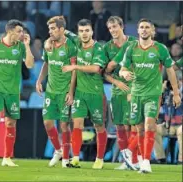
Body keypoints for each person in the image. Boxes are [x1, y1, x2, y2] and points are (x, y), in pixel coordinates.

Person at [119, 18, 181, 173]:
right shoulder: (131, 49)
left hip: (153, 94)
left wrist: (176, 92)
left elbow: (170, 70)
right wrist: (125, 74)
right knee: (139, 129)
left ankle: (146, 161)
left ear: (152, 31)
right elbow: (122, 70)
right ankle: (137, 158)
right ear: (138, 31)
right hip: (136, 94)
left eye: (147, 27)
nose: (144, 29)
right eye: (141, 27)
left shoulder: (160, 49)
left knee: (149, 125)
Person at [0, 19, 34, 166]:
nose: (22, 34)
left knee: (11, 122)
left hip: (13, 90)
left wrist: (27, 45)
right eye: (19, 31)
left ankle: (7, 157)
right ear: (10, 31)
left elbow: (30, 65)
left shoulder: (20, 47)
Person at [62, 19, 108, 169]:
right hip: (80, 93)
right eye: (81, 31)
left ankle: (99, 159)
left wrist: (74, 66)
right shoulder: (76, 41)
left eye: (87, 30)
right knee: (77, 124)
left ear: (92, 32)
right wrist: (59, 23)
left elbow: (95, 69)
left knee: (99, 126)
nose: (84, 34)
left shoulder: (98, 49)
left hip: (95, 94)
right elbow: (63, 31)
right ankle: (75, 158)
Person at [36, 16, 77, 168]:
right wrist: (39, 80)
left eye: (53, 29)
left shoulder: (70, 46)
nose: (50, 32)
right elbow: (47, 63)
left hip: (64, 91)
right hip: (51, 91)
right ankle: (58, 150)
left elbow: (74, 71)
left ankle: (66, 159)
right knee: (47, 122)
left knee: (64, 125)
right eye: (49, 29)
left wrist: (71, 92)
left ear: (61, 29)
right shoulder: (49, 45)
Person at [103, 16, 141, 170]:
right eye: (110, 28)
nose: (113, 30)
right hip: (118, 90)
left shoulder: (133, 42)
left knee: (135, 125)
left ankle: (134, 158)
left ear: (122, 26)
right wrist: (116, 82)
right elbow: (105, 72)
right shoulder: (107, 47)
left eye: (115, 27)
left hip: (134, 88)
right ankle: (126, 161)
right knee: (120, 127)